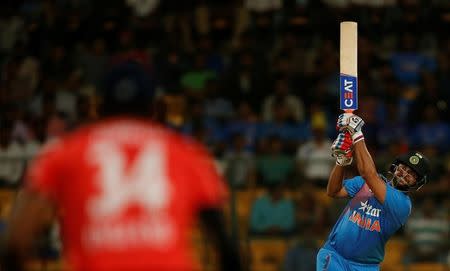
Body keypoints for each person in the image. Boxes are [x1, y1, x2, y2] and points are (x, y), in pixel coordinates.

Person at [1, 61, 242, 271]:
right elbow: (226, 248)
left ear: (100, 107)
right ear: (153, 109)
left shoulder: (64, 153)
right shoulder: (186, 153)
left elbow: (17, 240)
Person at [316, 113, 431, 271]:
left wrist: (357, 133)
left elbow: (367, 173)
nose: (405, 174)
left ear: (417, 183)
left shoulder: (403, 204)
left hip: (366, 267)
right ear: (395, 166)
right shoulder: (367, 182)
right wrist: (342, 161)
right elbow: (333, 191)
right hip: (334, 255)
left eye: (411, 174)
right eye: (404, 168)